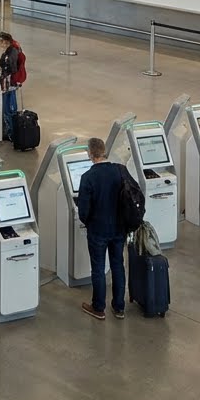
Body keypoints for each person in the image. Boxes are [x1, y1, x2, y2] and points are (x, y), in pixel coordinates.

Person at [77, 137, 127, 321]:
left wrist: (88, 221)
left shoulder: (87, 177)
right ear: (104, 151)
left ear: (90, 154)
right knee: (118, 265)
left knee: (98, 269)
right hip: (119, 228)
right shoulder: (119, 171)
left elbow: (83, 210)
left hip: (98, 230)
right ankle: (119, 307)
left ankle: (98, 307)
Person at [0, 31, 26, 125]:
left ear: (5, 42)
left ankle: (9, 127)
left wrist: (2, 75)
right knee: (10, 103)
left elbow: (12, 68)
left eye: (0, 41)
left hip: (8, 82)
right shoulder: (14, 49)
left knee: (7, 107)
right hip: (11, 82)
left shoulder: (9, 54)